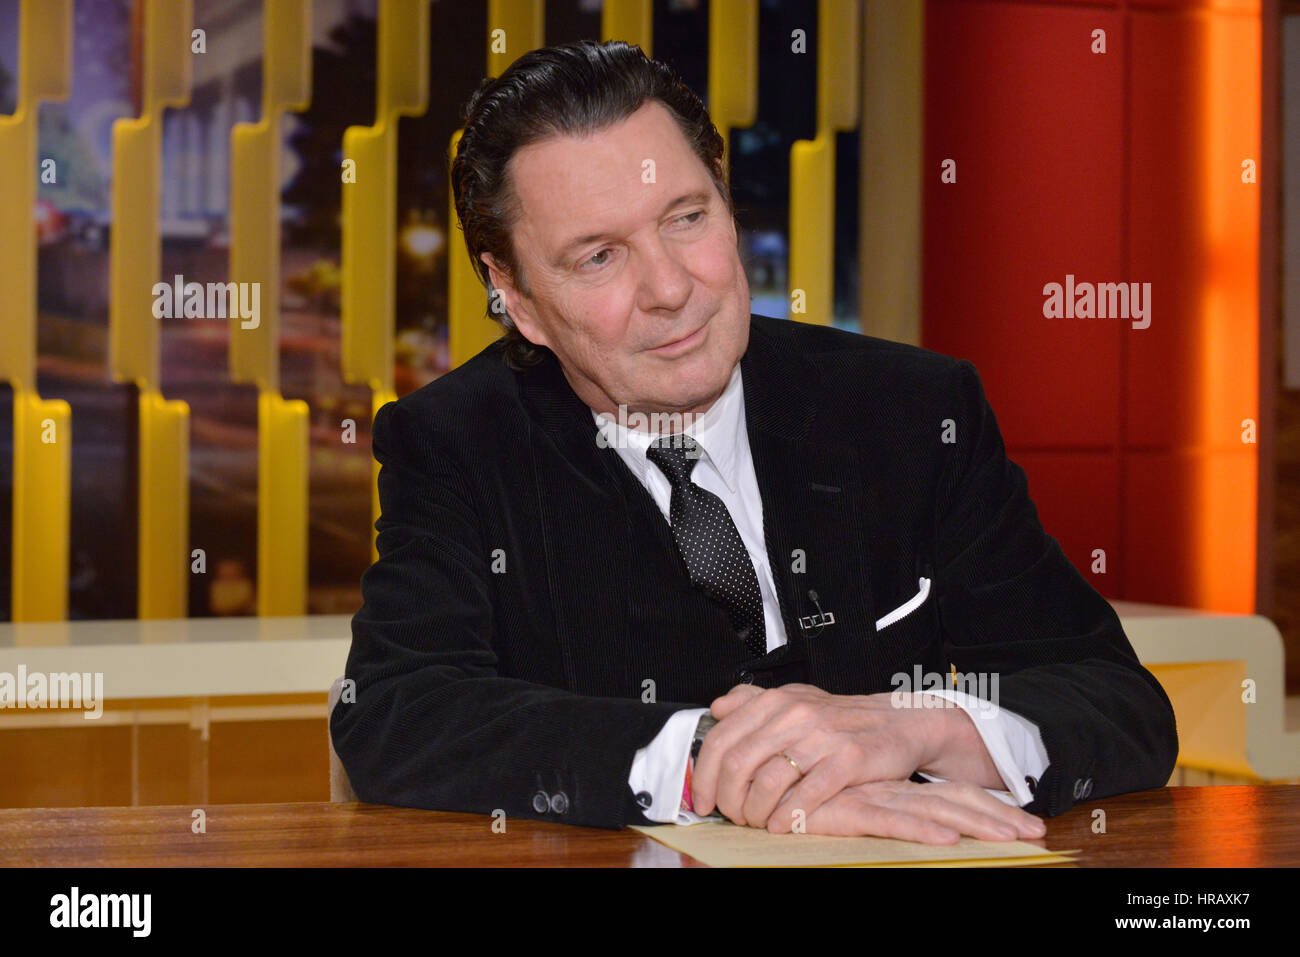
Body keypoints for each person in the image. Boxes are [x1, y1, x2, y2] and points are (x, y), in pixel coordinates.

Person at [330, 40, 1178, 843]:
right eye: (598, 257)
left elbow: (1120, 704)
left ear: (727, 203)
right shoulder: (455, 441)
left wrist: (914, 727)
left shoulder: (914, 409)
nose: (670, 288)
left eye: (687, 217)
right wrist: (707, 760)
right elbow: (399, 711)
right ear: (512, 293)